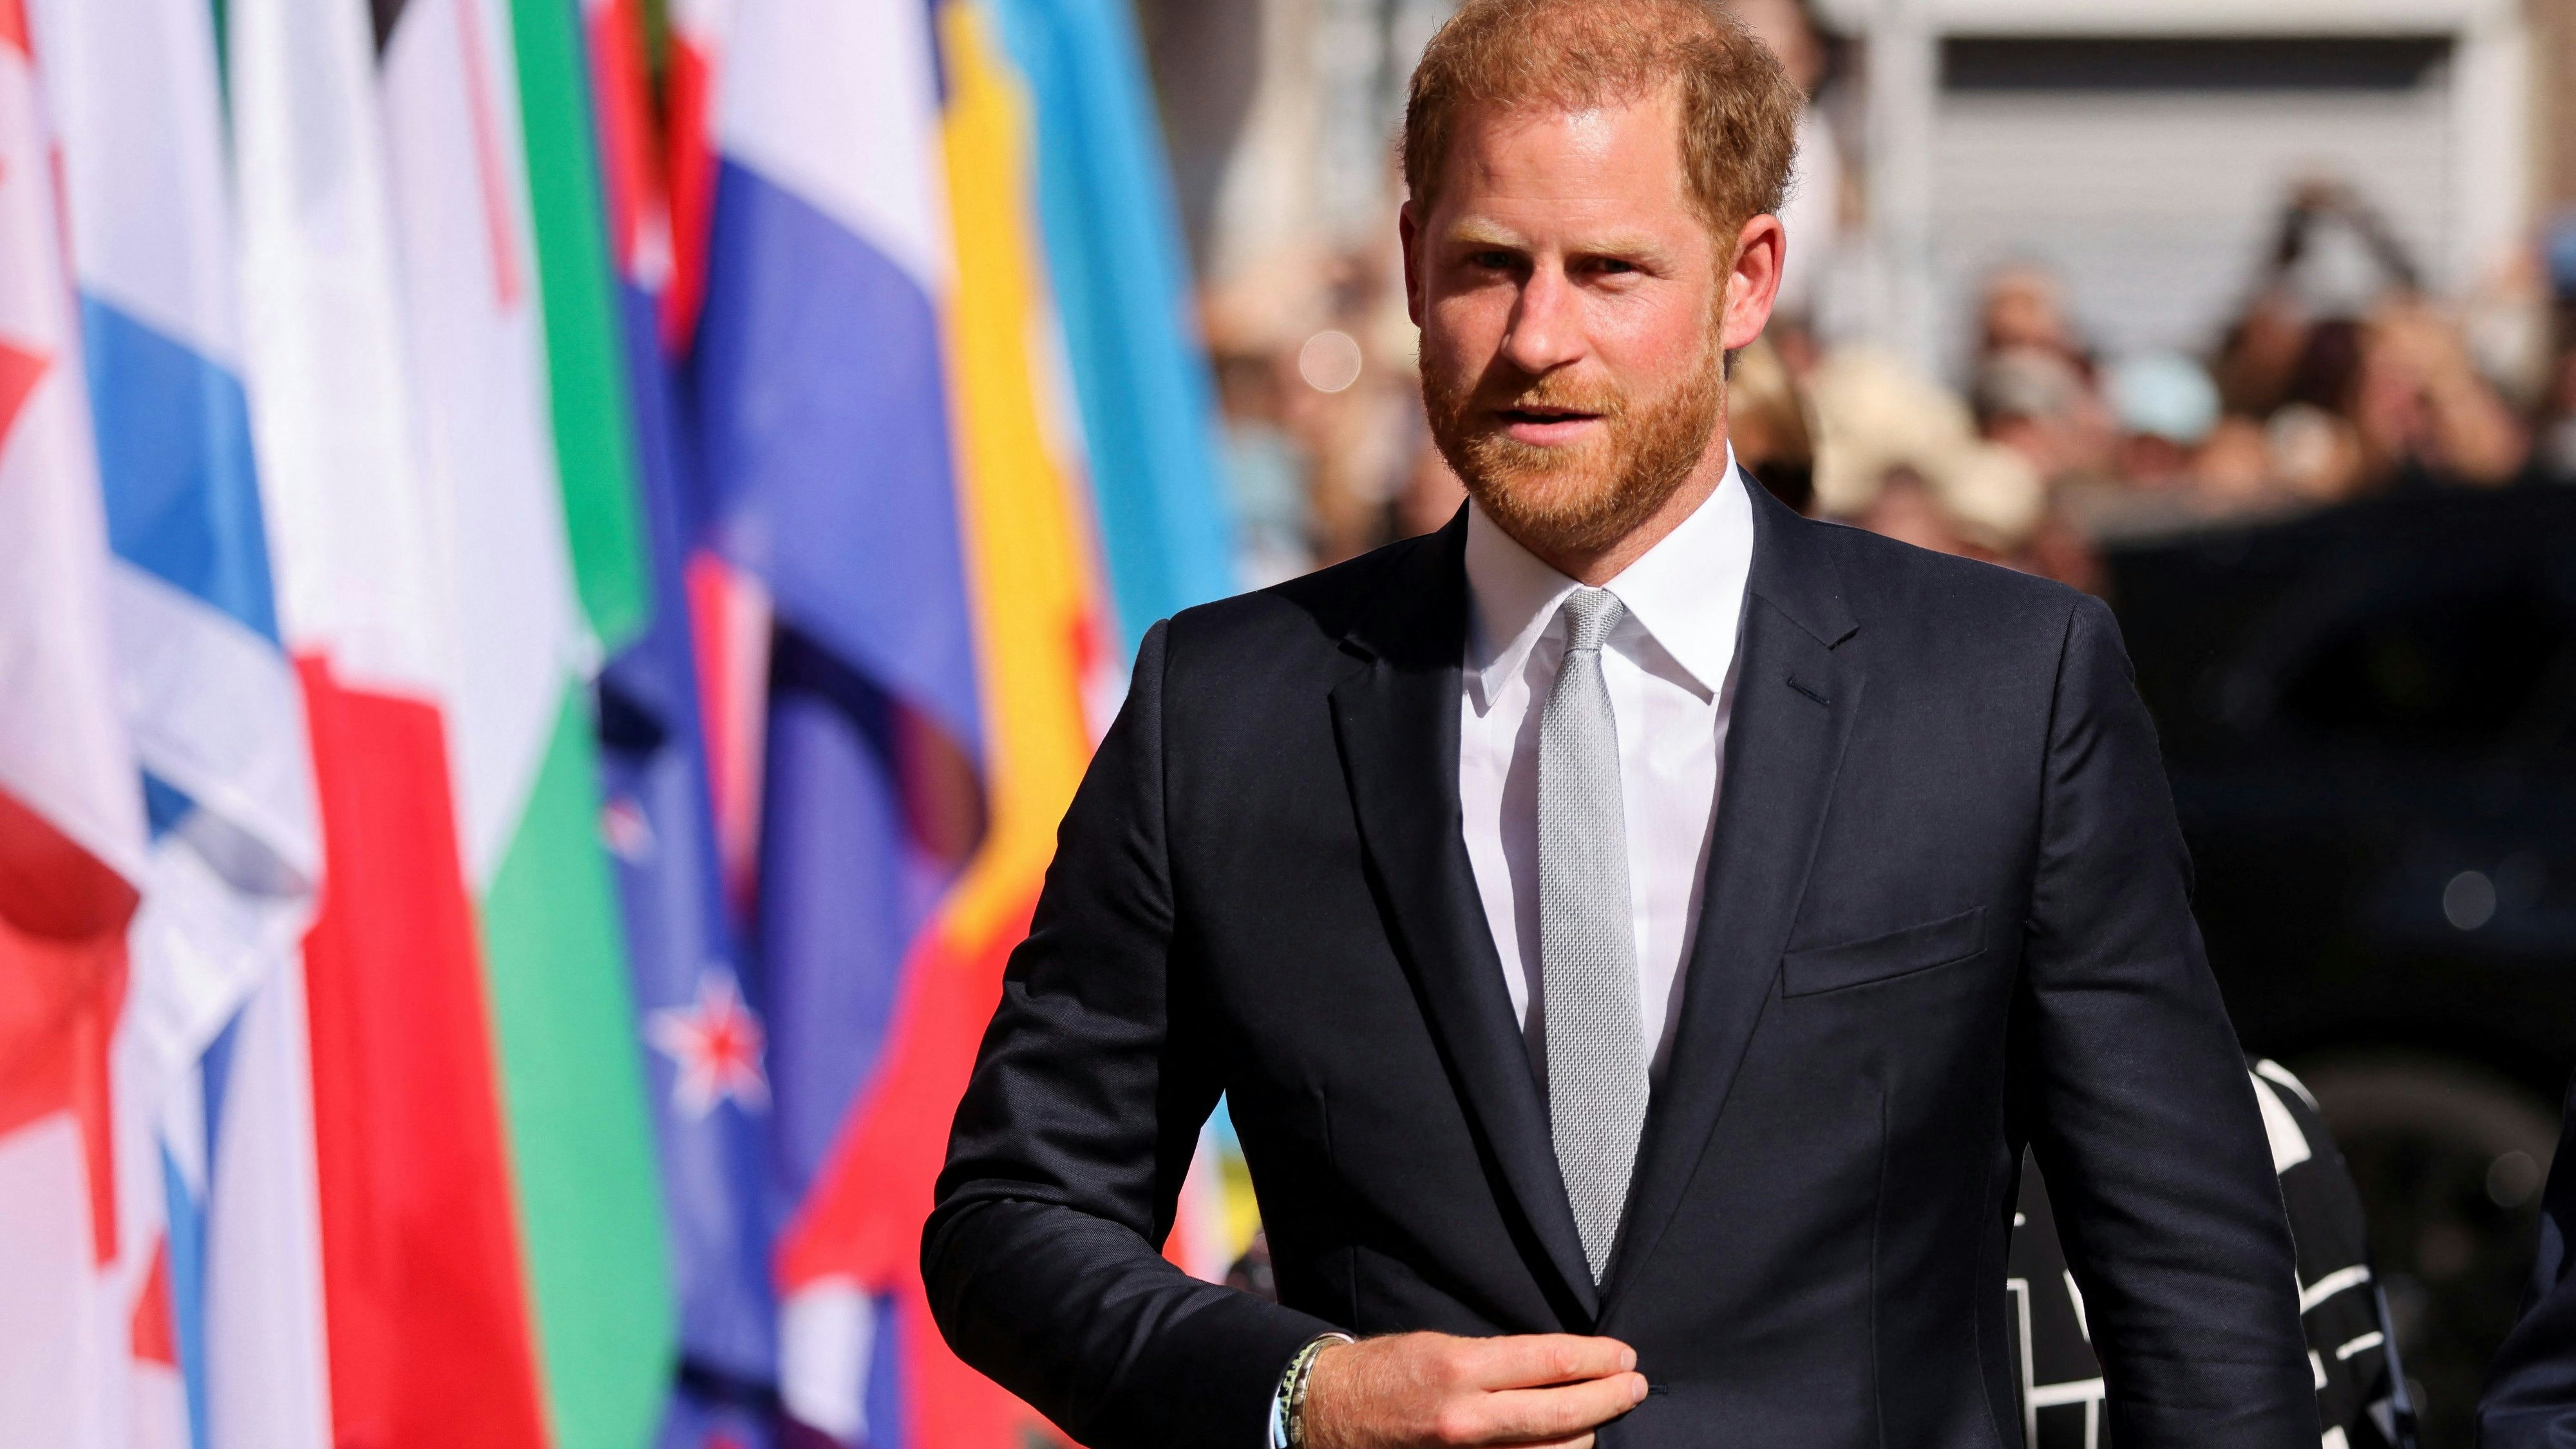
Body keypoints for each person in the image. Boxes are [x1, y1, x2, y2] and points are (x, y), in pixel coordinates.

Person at [922, 3, 2315, 1446]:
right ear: (1408, 263)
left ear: (1743, 279)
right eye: (1485, 266)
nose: (1537, 337)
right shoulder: (1226, 710)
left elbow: (2192, 1288)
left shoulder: (1998, 689)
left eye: (1608, 272)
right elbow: (1014, 1221)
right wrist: (1305, 1393)